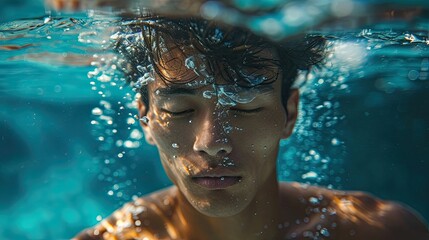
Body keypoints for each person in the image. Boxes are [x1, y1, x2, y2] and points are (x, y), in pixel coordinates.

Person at [68, 13, 429, 240]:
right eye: (178, 110)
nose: (213, 142)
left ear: (289, 113)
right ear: (145, 118)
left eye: (246, 107)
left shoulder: (381, 231)